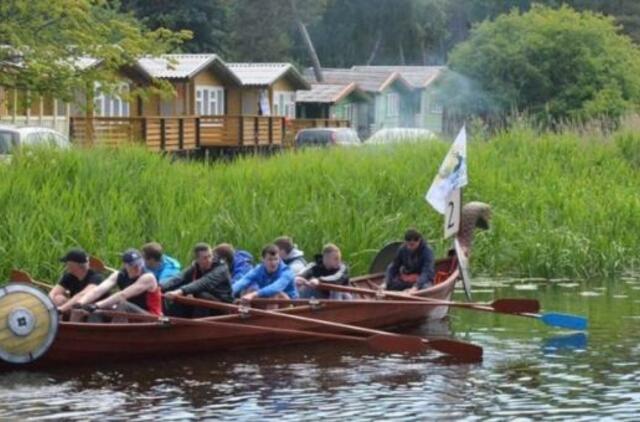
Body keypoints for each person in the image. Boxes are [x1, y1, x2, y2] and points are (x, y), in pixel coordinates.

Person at [76, 248, 162, 317]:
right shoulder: (118, 275)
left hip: (152, 317)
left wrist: (96, 305)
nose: (138, 268)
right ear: (125, 265)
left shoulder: (148, 277)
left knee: (122, 305)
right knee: (97, 309)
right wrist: (80, 303)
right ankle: (90, 333)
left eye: (139, 264)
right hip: (133, 315)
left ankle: (114, 335)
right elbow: (98, 291)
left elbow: (122, 295)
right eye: (133, 265)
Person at [162, 243, 233, 317]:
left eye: (210, 256)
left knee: (199, 294)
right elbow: (179, 278)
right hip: (205, 306)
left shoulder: (222, 268)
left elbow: (204, 282)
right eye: (205, 258)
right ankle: (170, 322)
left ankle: (197, 327)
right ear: (197, 259)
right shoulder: (195, 267)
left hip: (223, 306)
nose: (209, 260)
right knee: (179, 294)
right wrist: (160, 288)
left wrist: (180, 291)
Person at [232, 244, 298, 300]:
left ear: (279, 259)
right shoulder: (258, 269)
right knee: (249, 290)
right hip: (268, 301)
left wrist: (255, 294)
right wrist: (230, 291)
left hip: (292, 305)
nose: (273, 263)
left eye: (276, 259)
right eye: (270, 259)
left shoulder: (286, 272)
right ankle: (247, 313)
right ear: (262, 260)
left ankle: (267, 315)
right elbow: (244, 280)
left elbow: (276, 287)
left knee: (275, 294)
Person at [50, 248, 105, 313]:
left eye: (66, 263)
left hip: (93, 309)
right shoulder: (68, 276)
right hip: (75, 306)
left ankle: (66, 320)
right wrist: (47, 304)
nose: (65, 266)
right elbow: (53, 293)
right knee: (58, 298)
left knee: (78, 308)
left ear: (73, 265)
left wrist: (61, 309)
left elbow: (82, 295)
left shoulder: (96, 277)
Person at [384, 228, 435, 292]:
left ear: (419, 241)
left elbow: (427, 272)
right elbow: (394, 266)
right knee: (390, 285)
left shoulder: (427, 251)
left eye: (413, 245)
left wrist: (416, 287)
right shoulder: (402, 249)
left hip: (422, 280)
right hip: (407, 279)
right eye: (408, 244)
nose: (410, 247)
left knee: (425, 288)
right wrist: (386, 282)